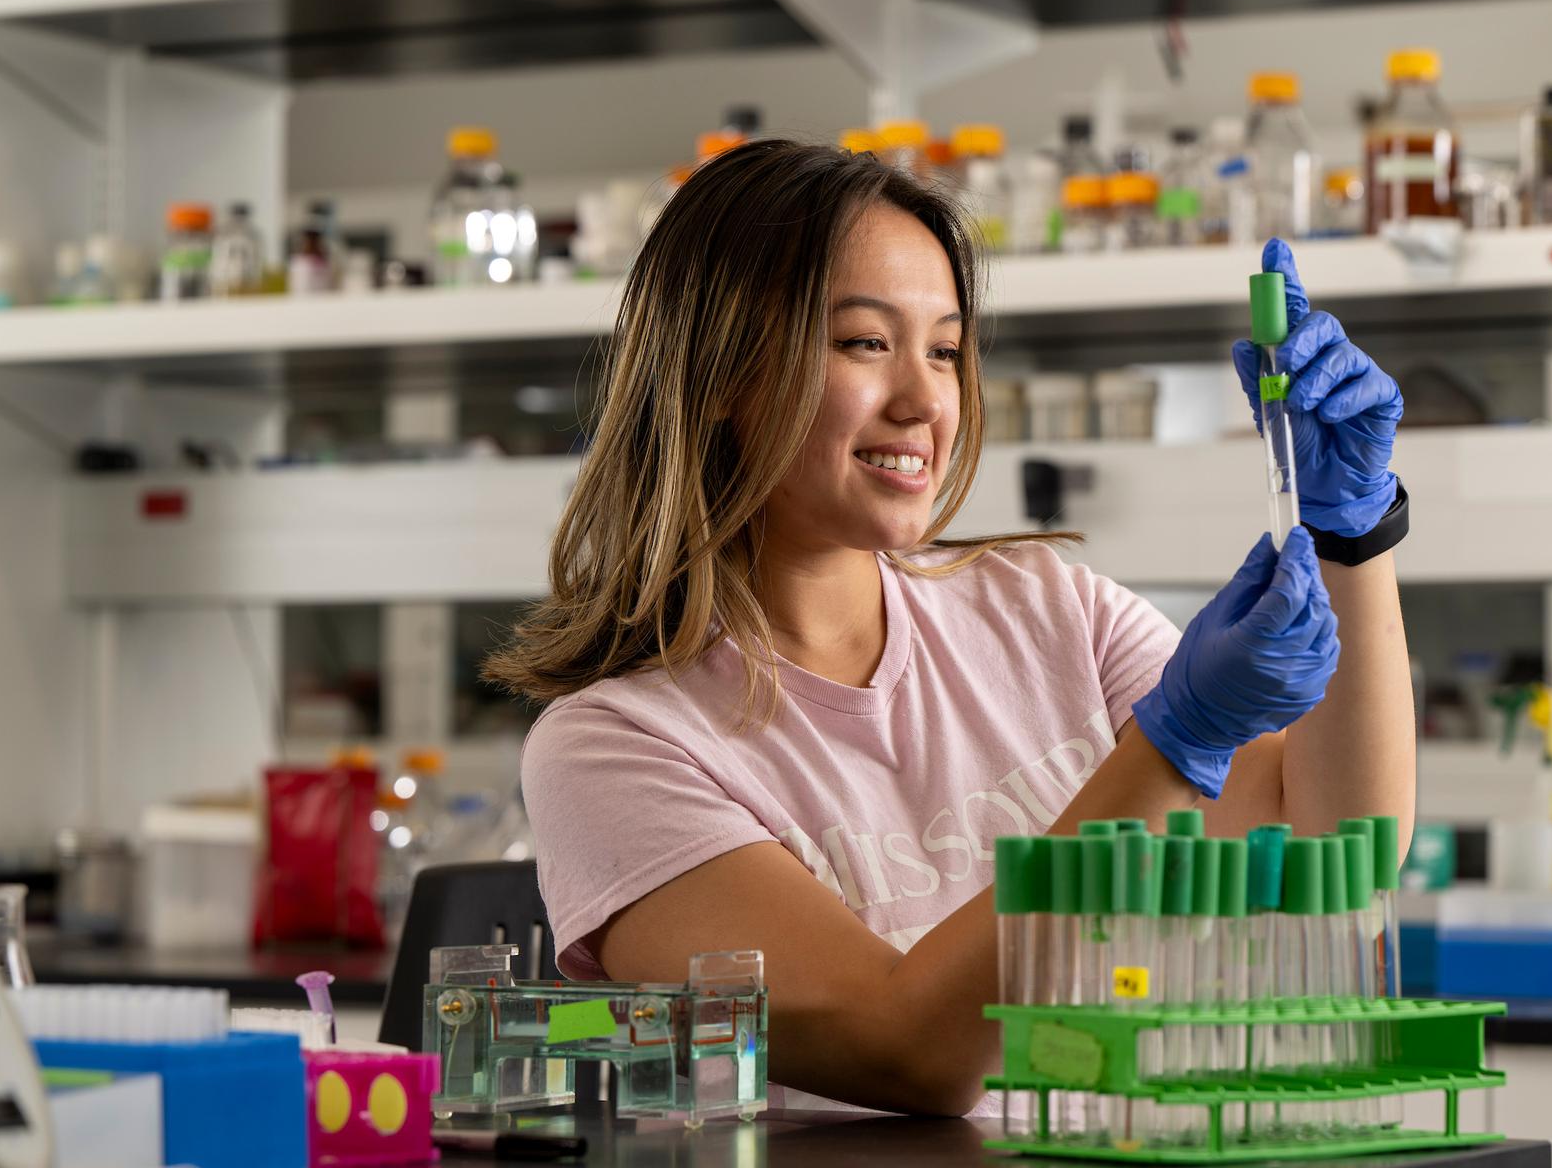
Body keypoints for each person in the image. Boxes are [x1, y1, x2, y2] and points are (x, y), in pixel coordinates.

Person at [488, 139, 1413, 1116]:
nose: (926, 400)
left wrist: (1352, 534)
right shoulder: (614, 749)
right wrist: (1171, 744)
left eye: (942, 348)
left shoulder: (1044, 608)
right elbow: (908, 1046)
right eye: (863, 342)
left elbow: (1334, 838)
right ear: (721, 373)